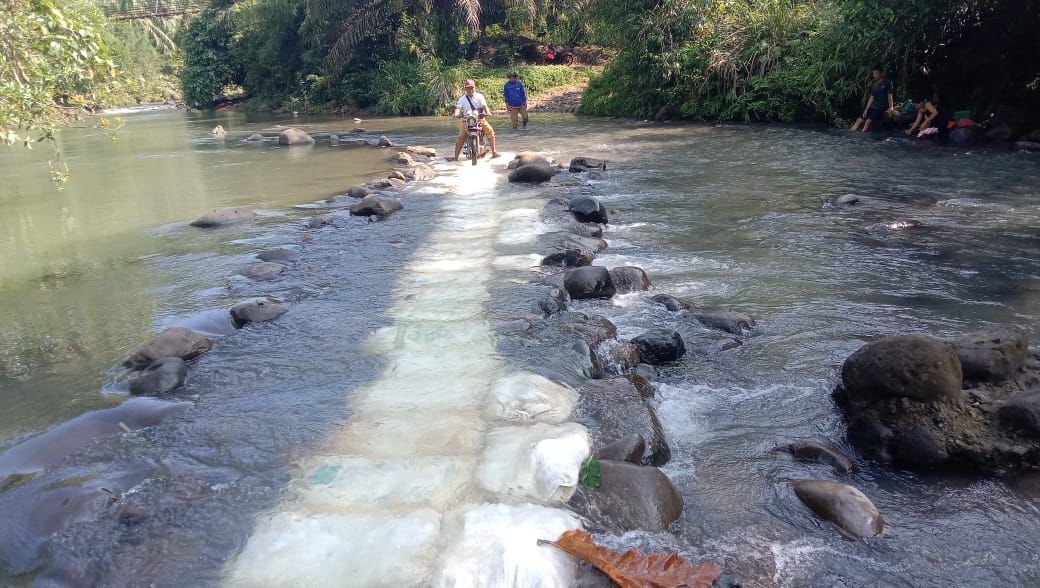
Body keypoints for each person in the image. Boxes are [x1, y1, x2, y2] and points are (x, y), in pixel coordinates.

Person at [449, 79, 499, 161]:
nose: (470, 90)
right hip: (467, 120)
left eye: (472, 88)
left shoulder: (480, 96)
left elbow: (484, 106)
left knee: (490, 131)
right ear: (465, 88)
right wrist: (456, 113)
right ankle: (456, 157)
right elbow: (458, 108)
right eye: (468, 88)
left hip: (479, 119)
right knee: (460, 137)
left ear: (475, 87)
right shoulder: (462, 99)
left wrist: (488, 112)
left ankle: (494, 152)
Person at [850, 65, 897, 132]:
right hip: (873, 107)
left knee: (868, 122)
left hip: (881, 107)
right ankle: (850, 134)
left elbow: (890, 96)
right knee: (859, 120)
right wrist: (866, 109)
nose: (874, 75)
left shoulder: (887, 83)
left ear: (882, 73)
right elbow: (871, 98)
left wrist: (891, 107)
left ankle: (861, 136)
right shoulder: (874, 85)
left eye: (876, 73)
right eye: (873, 73)